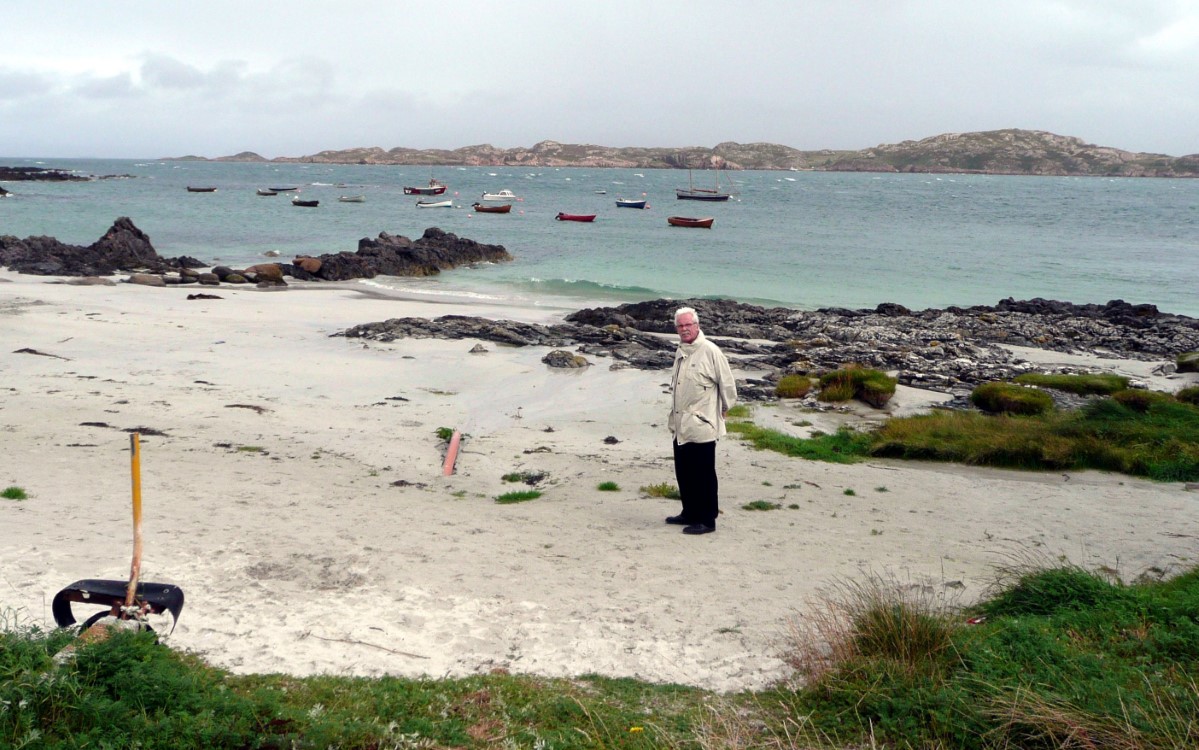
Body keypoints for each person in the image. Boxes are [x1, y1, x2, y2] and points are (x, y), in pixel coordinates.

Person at [666, 306, 737, 535]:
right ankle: (689, 512)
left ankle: (707, 520)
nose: (685, 329)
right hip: (681, 425)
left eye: (688, 325)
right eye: (680, 326)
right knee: (684, 472)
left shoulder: (710, 351)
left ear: (697, 325)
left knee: (704, 475)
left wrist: (725, 408)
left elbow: (727, 385)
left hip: (702, 425)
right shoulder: (681, 350)